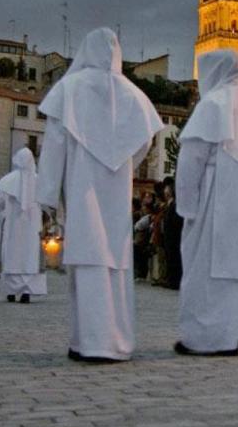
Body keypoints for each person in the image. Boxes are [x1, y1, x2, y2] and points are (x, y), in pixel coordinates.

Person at [36, 27, 162, 363]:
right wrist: (124, 165)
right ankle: (117, 342)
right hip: (115, 194)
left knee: (88, 265)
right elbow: (145, 142)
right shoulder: (133, 96)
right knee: (116, 267)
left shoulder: (70, 90)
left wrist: (49, 192)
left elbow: (54, 146)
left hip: (82, 190)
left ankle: (89, 343)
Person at [174, 49, 238, 357]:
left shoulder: (212, 105)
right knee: (237, 271)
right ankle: (232, 334)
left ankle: (206, 338)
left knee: (207, 272)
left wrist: (187, 206)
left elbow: (190, 161)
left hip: (214, 202)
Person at [0, 147, 45, 304]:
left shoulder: (9, 181)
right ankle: (26, 291)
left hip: (13, 229)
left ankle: (11, 291)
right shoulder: (39, 181)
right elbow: (48, 203)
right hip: (32, 229)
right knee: (29, 257)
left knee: (12, 256)